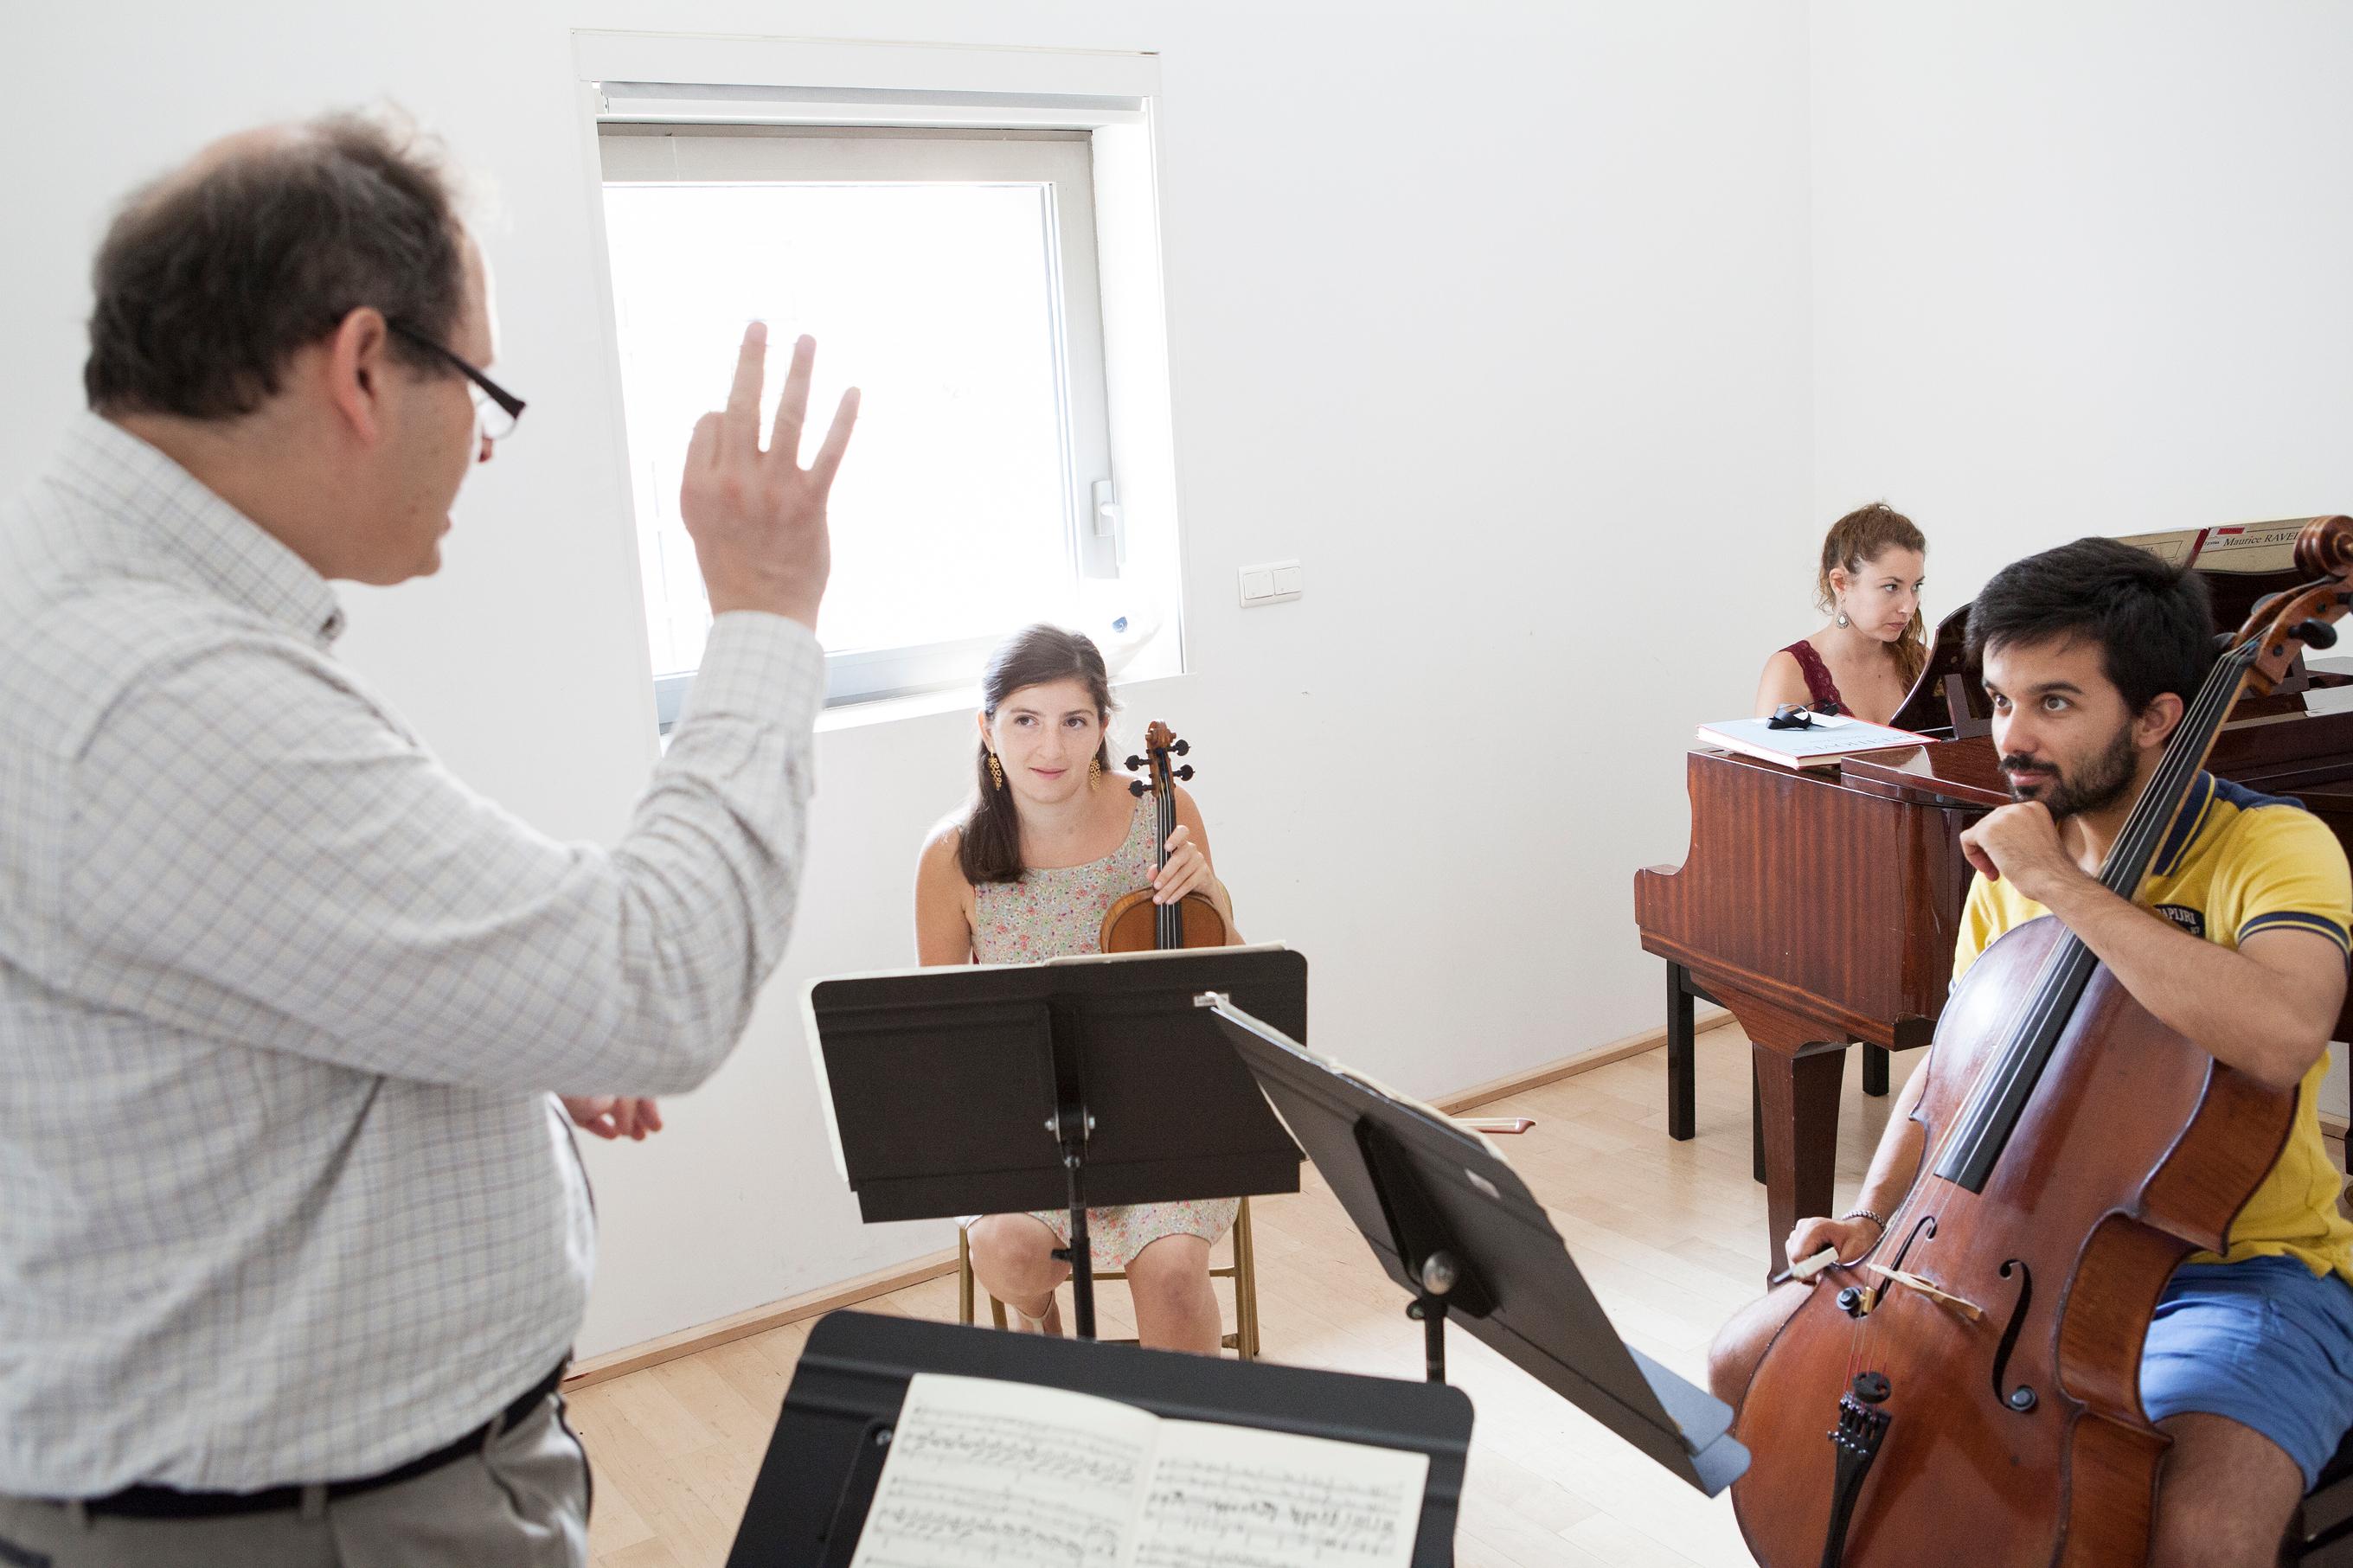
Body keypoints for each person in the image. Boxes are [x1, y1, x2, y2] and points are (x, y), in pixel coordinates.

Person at [0, 113, 856, 1565]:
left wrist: (495, 1018)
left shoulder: (91, 613)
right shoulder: (164, 691)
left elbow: (224, 993)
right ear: (357, 366)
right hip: (313, 1526)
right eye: (480, 387)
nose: (484, 442)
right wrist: (765, 609)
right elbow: (658, 979)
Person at [1709, 538, 2353, 1568]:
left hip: (2238, 1274)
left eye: (2053, 703)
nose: (2011, 735)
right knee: (1744, 1358)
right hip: (2005, 1250)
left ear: (2155, 718)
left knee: (2194, 1532)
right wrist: (1874, 1216)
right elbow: (1949, 1068)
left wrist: (2061, 886)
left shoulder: (2267, 847)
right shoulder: (2015, 865)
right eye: (2002, 700)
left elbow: (2281, 1036)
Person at [914, 625, 1243, 1354]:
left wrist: (1214, 893)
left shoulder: (1164, 812)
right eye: (1025, 720)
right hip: (1030, 1119)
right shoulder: (951, 856)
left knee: (1174, 1272)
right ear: (987, 728)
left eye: (1075, 721)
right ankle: (1045, 1328)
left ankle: (1184, 1443)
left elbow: (1231, 978)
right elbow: (942, 1034)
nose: (1051, 750)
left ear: (1102, 727)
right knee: (1006, 1248)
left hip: (1166, 1106)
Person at [1754, 502, 1929, 726]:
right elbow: (1767, 760)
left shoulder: (1922, 663)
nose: (1909, 606)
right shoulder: (1791, 671)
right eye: (1891, 587)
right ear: (1840, 583)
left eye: (1915, 587)